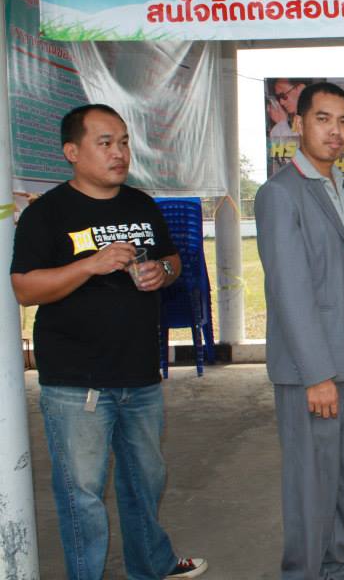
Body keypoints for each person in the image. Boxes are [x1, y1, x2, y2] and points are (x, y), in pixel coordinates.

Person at [10, 104, 206, 579]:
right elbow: (25, 288)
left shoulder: (141, 204)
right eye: (105, 143)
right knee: (82, 495)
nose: (118, 153)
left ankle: (151, 565)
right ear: (72, 152)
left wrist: (162, 272)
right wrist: (90, 265)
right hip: (77, 382)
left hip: (139, 373)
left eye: (123, 143)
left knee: (145, 482)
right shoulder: (47, 213)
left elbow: (172, 260)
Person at [255, 82, 344, 580]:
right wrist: (316, 375)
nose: (335, 131)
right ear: (297, 124)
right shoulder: (280, 194)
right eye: (322, 119)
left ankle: (339, 567)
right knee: (310, 485)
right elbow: (290, 292)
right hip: (315, 372)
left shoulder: (337, 188)